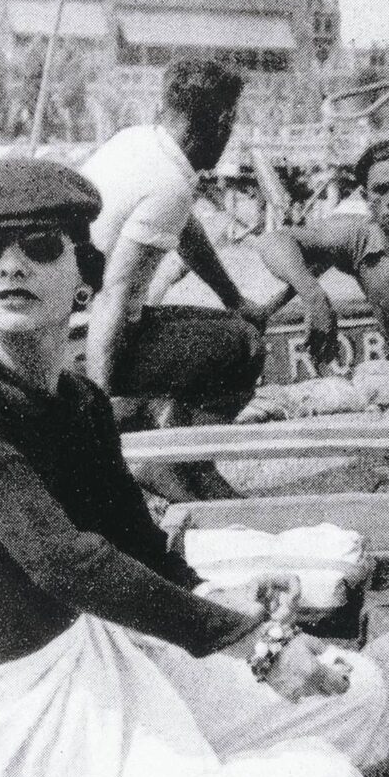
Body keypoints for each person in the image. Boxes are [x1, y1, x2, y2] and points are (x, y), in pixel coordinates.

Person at [0, 157, 388, 777]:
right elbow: (63, 559)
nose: (9, 266)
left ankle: (191, 766)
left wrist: (229, 600)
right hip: (11, 720)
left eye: (38, 245)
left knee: (361, 695)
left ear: (83, 275)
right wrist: (251, 644)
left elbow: (144, 553)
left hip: (103, 656)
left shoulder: (82, 404)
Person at [81, 59, 276, 497]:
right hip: (83, 345)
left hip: (73, 330)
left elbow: (185, 228)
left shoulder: (138, 142)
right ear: (221, 122)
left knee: (229, 324)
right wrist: (96, 412)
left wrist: (234, 297)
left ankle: (172, 449)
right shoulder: (169, 182)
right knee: (244, 345)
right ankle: (173, 462)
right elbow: (114, 298)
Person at [256, 138, 389, 372]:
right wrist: (314, 298)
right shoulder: (361, 240)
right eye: (381, 190)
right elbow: (273, 241)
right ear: (365, 197)